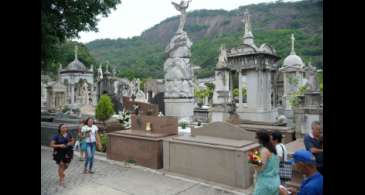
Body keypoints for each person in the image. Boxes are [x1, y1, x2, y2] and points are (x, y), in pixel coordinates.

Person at [253, 130, 280, 195]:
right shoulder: (273, 149)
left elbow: (259, 169)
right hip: (275, 180)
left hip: (265, 184)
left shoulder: (264, 151)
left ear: (260, 140)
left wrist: (254, 158)